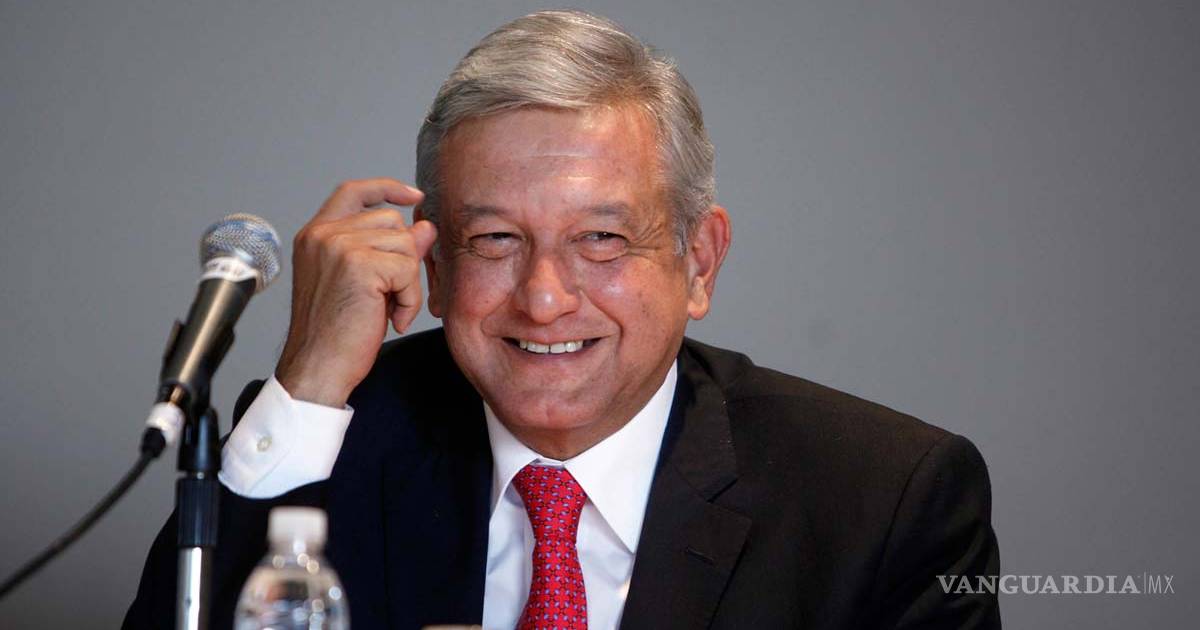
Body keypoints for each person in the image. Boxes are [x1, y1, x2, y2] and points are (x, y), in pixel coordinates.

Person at [125, 10, 1000, 629]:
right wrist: (309, 382)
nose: (544, 298)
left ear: (699, 261)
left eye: (602, 239)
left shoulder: (881, 500)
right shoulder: (336, 437)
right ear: (435, 269)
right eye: (495, 240)